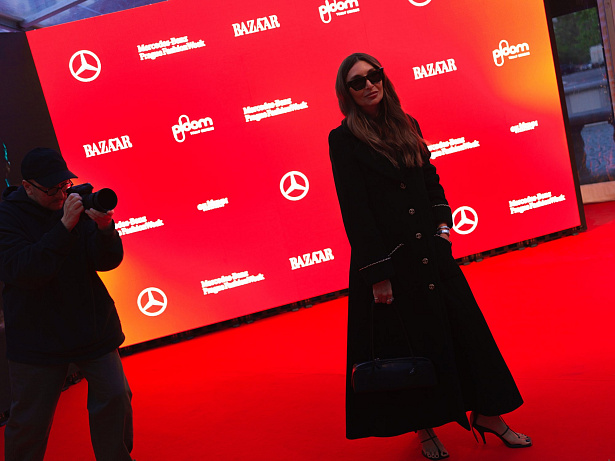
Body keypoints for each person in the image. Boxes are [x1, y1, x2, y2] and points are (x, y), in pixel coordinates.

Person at [328, 53, 532, 460]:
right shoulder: (343, 139)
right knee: (409, 348)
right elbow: (355, 211)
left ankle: (488, 414)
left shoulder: (408, 123)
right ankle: (424, 427)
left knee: (467, 334)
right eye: (357, 81)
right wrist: (378, 274)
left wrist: (443, 231)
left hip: (431, 253)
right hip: (391, 262)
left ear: (383, 78)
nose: (369, 84)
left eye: (374, 75)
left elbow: (429, 179)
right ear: (346, 93)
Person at [0, 148, 133, 461]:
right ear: (27, 186)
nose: (61, 193)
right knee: (30, 422)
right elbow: (25, 271)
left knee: (116, 397)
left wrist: (105, 230)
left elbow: (106, 262)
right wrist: (64, 227)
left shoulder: (75, 201)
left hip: (90, 326)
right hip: (36, 337)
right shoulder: (7, 217)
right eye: (52, 189)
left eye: (64, 184)